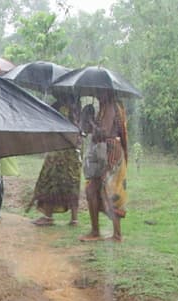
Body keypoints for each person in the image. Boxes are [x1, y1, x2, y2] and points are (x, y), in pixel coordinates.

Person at [81, 90, 129, 242]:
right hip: (107, 152)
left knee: (105, 191)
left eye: (98, 92)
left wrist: (91, 122)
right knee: (96, 190)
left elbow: (104, 132)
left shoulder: (109, 107)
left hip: (109, 154)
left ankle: (112, 234)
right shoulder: (107, 106)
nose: (96, 94)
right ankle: (102, 232)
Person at [28, 93, 82, 227]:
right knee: (72, 183)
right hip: (73, 152)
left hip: (59, 151)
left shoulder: (62, 108)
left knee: (49, 182)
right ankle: (74, 219)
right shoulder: (76, 107)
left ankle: (48, 217)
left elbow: (61, 129)